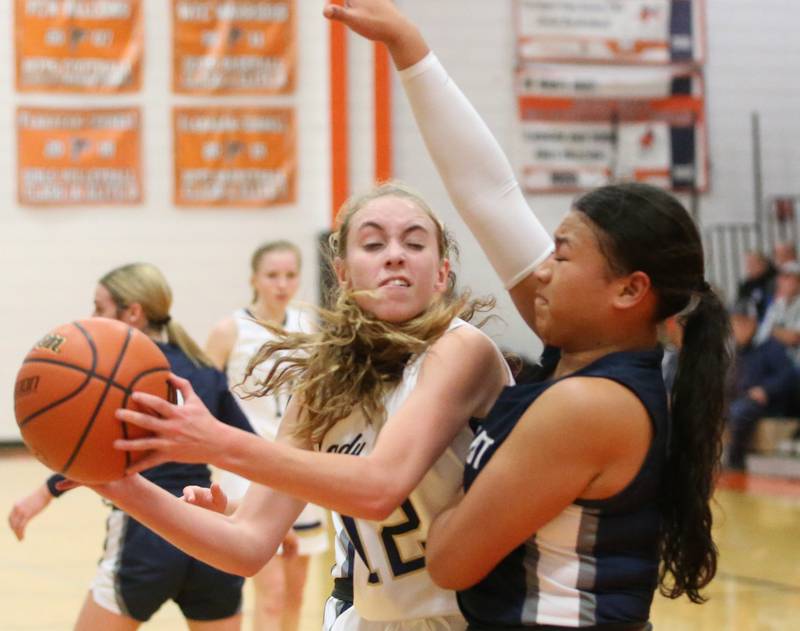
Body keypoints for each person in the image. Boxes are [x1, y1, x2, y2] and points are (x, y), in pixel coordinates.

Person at [324, 2, 730, 628]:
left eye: (561, 257)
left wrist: (448, 488)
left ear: (628, 291)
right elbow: (491, 195)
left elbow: (452, 559)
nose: (540, 269)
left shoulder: (593, 402)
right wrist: (410, 49)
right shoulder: (587, 354)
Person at [82, 181, 536, 630]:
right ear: (342, 274)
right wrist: (118, 486)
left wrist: (216, 443)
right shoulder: (324, 382)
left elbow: (381, 486)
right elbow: (246, 546)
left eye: (414, 242)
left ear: (440, 273)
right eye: (374, 243)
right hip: (370, 619)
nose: (394, 253)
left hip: (470, 616)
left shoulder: (461, 351)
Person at [7, 262, 256, 631]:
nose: (92, 317)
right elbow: (251, 450)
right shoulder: (202, 368)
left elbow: (87, 450)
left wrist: (43, 494)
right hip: (212, 530)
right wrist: (265, 521)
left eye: (100, 307)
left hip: (146, 531)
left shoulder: (113, 374)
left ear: (133, 312)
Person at [205, 240, 328, 631]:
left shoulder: (308, 327)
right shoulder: (230, 331)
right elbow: (204, 401)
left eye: (290, 275)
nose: (282, 283)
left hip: (299, 469)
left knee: (296, 595)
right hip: (250, 470)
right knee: (270, 595)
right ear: (254, 279)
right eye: (272, 275)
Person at [726, 298, 799, 470]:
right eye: (735, 322)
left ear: (753, 323)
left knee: (739, 411)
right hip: (735, 398)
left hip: (762, 403)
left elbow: (790, 375)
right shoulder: (732, 349)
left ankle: (735, 464)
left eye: (743, 322)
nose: (738, 328)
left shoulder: (769, 346)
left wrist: (765, 389)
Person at [755, 261, 800, 365]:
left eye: (787, 277)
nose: (782, 281)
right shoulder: (777, 305)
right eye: (781, 278)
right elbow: (761, 337)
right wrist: (778, 332)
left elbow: (794, 337)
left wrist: (773, 330)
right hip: (775, 360)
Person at [736, 250, 776, 321]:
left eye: (753, 263)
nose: (750, 267)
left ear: (763, 264)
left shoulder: (773, 281)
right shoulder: (746, 285)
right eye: (748, 264)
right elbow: (739, 304)